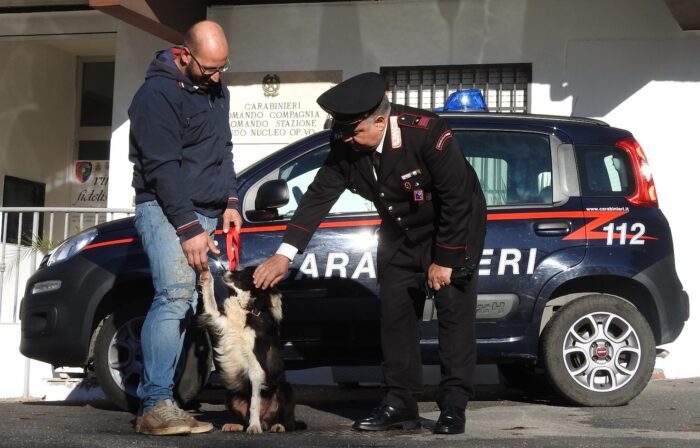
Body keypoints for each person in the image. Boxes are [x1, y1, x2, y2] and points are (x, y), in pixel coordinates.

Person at [253, 72, 487, 434]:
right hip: (400, 234)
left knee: (453, 320)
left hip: (451, 231)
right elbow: (317, 197)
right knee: (394, 320)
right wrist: (285, 254)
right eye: (342, 131)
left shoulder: (427, 132)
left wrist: (445, 259)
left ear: (380, 120)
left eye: (353, 131)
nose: (345, 138)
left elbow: (458, 199)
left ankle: (453, 406)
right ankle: (400, 404)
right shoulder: (348, 146)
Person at [128, 20, 242, 436]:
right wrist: (190, 227)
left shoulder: (217, 91)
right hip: (167, 209)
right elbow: (162, 168)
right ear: (183, 54)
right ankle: (154, 405)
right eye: (209, 68)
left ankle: (174, 404)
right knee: (174, 297)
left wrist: (231, 201)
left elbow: (223, 150)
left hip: (209, 211)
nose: (216, 77)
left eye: (222, 68)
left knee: (199, 306)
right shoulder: (155, 96)